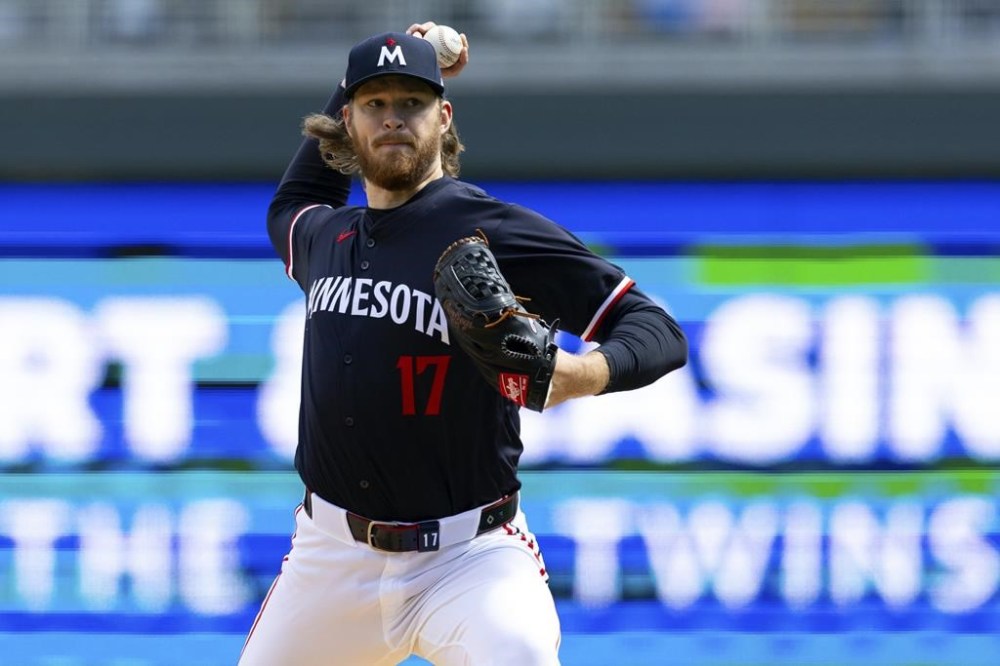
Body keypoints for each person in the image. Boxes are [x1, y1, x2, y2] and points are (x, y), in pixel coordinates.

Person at [239, 22, 687, 666]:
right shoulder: (324, 238)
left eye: (413, 104)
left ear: (443, 117)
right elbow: (295, 198)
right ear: (348, 121)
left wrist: (577, 373)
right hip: (329, 560)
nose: (393, 119)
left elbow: (656, 328)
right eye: (375, 104)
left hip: (470, 558)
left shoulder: (491, 229)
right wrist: (364, 69)